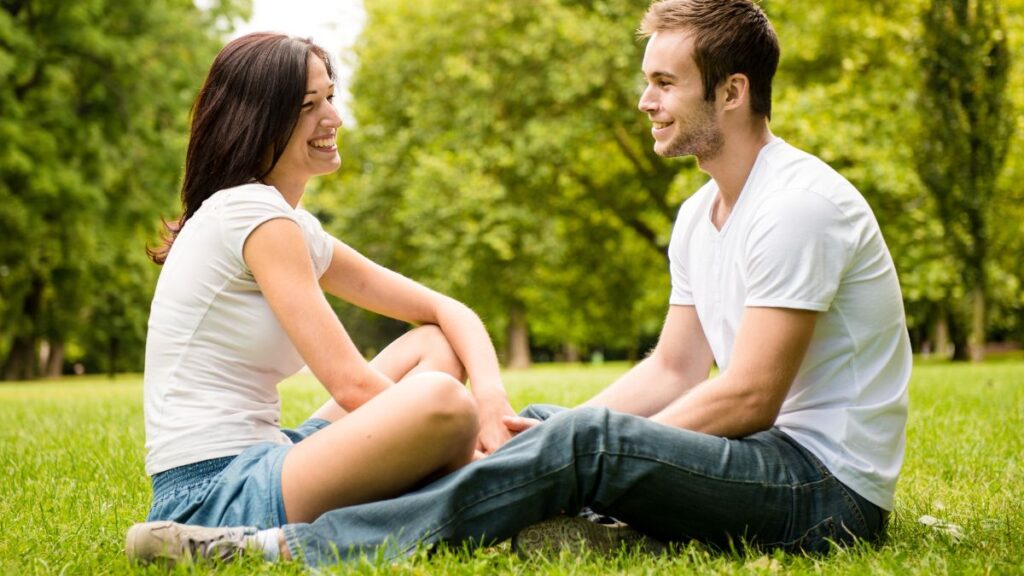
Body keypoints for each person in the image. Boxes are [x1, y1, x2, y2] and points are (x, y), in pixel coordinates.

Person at [126, 0, 911, 566]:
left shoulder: (798, 205)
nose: (645, 100)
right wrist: (544, 434)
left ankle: (288, 548)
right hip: (758, 456)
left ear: (731, 91)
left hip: (821, 488)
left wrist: (583, 447)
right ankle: (549, 498)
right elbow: (672, 370)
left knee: (578, 440)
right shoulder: (698, 216)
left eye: (666, 83)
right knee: (544, 426)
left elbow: (749, 398)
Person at [125, 31, 518, 558]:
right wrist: (473, 448)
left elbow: (446, 311)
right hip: (211, 495)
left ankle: (454, 485)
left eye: (329, 97)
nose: (332, 118)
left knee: (432, 347)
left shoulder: (288, 224)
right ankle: (249, 544)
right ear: (258, 120)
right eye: (309, 106)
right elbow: (353, 385)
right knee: (443, 403)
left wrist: (492, 402)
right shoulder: (251, 212)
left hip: (269, 457)